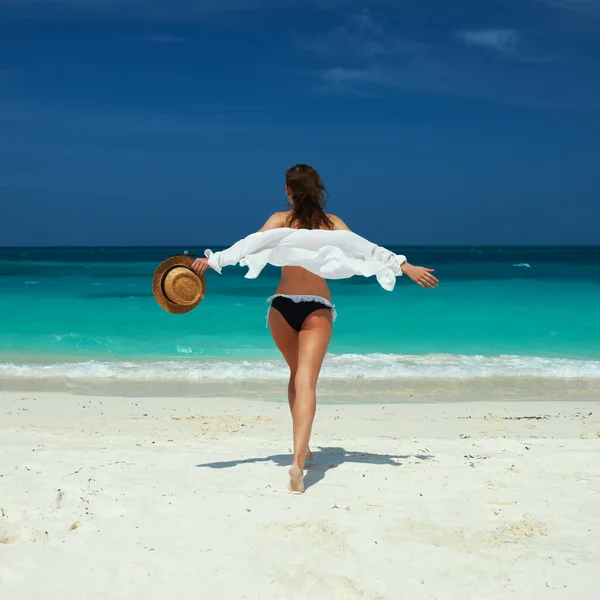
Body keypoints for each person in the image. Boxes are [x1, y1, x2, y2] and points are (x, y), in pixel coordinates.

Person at [190, 164, 438, 493]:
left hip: (281, 307)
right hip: (316, 307)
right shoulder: (332, 224)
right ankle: (297, 460)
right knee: (306, 382)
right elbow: (366, 249)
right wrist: (405, 266)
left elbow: (246, 247)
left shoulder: (279, 221)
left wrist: (214, 261)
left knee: (296, 377)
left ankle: (303, 449)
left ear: (288, 191)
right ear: (317, 189)